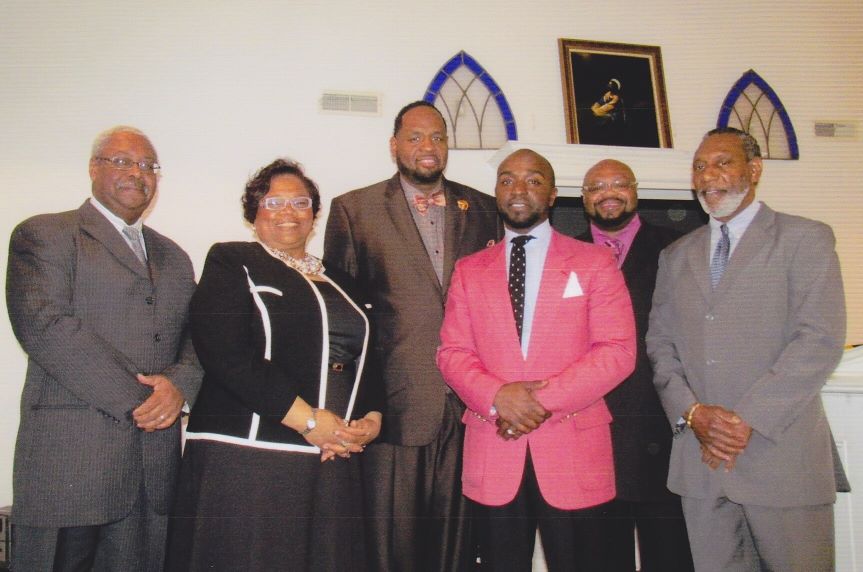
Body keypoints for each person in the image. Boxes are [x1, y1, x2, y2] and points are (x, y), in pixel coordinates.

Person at [166, 159, 383, 572]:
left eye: (300, 202)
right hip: (252, 459)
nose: (288, 211)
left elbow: (367, 359)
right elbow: (226, 354)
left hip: (332, 454)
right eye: (274, 202)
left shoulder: (340, 278)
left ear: (314, 214)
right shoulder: (233, 261)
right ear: (253, 214)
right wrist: (309, 422)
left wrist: (370, 419)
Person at [647, 127, 846, 571]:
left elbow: (819, 340)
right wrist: (694, 414)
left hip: (782, 460)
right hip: (701, 466)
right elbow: (660, 345)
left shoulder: (805, 239)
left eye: (722, 162)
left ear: (754, 170)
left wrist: (745, 420)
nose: (708, 175)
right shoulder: (676, 255)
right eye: (699, 166)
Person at [5, 126, 202, 571]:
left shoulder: (175, 257)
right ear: (94, 168)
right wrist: (146, 401)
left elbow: (198, 333)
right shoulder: (46, 235)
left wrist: (180, 385)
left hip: (153, 470)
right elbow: (45, 326)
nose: (137, 173)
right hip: (72, 464)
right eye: (122, 161)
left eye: (149, 166)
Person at [436, 148, 637, 571]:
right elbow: (452, 353)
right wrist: (496, 396)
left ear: (552, 195)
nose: (519, 189)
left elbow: (618, 350)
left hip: (574, 447)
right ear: (496, 193)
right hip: (494, 447)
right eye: (507, 179)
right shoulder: (469, 270)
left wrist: (539, 401)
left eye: (533, 180)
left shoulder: (596, 262)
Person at [324, 100, 500, 571]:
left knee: (458, 549)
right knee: (391, 545)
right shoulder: (353, 210)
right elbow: (343, 321)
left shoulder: (484, 208)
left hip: (469, 407)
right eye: (416, 137)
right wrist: (354, 406)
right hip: (392, 406)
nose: (428, 147)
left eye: (438, 137)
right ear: (394, 145)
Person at [577, 159, 694, 571]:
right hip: (591, 433)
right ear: (583, 198)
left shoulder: (679, 249)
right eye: (596, 187)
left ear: (636, 190)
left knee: (672, 557)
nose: (608, 193)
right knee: (601, 560)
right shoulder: (562, 254)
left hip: (659, 434)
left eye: (619, 183)